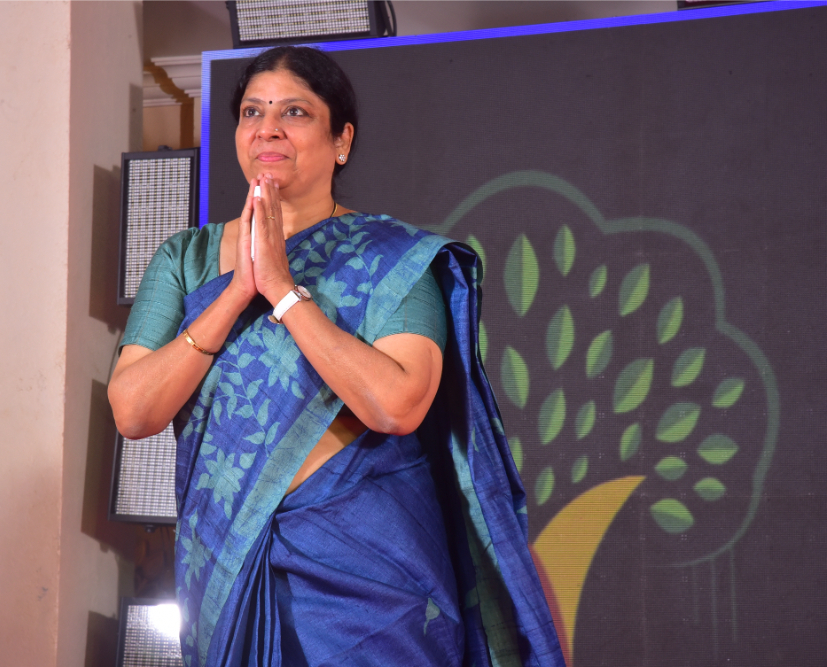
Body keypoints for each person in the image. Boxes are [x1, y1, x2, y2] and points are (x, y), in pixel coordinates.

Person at [109, 46, 564, 667]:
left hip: (367, 571)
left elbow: (398, 405)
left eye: (294, 112)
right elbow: (133, 411)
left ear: (341, 140)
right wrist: (237, 291)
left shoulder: (390, 258)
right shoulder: (185, 260)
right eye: (252, 112)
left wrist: (282, 291)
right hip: (227, 559)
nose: (268, 128)